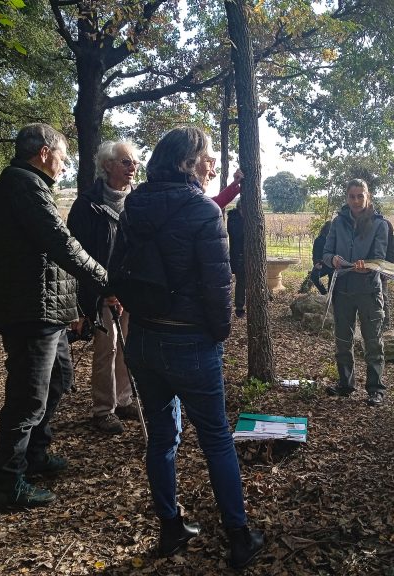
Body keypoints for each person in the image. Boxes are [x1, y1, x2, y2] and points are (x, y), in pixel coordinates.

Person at [110, 127, 264, 569]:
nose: (210, 163)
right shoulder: (202, 211)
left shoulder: (135, 203)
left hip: (143, 339)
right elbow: (219, 288)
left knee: (161, 437)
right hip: (191, 341)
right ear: (187, 162)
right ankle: (238, 535)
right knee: (216, 438)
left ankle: (170, 527)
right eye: (206, 156)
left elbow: (120, 268)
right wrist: (218, 336)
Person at [0, 123, 116, 508]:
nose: (64, 164)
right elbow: (62, 244)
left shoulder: (30, 185)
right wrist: (106, 280)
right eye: (62, 156)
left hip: (48, 308)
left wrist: (74, 306)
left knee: (59, 379)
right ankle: (8, 485)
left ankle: (35, 455)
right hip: (30, 310)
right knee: (28, 398)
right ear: (44, 152)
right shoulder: (22, 184)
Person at [68, 140, 141, 435]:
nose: (132, 167)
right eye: (126, 162)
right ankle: (103, 410)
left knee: (129, 348)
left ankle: (123, 400)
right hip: (100, 289)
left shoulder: (139, 201)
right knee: (106, 349)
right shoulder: (87, 205)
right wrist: (99, 291)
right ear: (108, 165)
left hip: (133, 288)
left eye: (135, 162)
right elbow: (75, 254)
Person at [323, 179, 389, 406]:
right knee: (343, 339)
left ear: (367, 196)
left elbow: (380, 258)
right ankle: (345, 383)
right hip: (342, 289)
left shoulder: (380, 224)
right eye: (352, 196)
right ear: (347, 197)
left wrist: (367, 264)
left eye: (360, 196)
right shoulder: (337, 223)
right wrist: (332, 259)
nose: (356, 201)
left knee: (373, 341)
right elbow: (326, 253)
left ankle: (376, 389)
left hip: (369, 290)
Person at [227, 199, 246, 317]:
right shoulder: (233, 219)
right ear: (240, 208)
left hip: (246, 254)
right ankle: (239, 308)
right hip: (237, 254)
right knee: (241, 282)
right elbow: (236, 235)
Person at [381, 217, 394, 329]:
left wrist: (387, 269)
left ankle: (386, 322)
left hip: (383, 266)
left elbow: (391, 252)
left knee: (383, 294)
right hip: (377, 265)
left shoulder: (387, 228)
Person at [310, 221, 333, 295]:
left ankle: (330, 296)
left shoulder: (335, 240)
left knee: (332, 278)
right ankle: (324, 293)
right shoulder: (319, 240)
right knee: (314, 276)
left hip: (333, 264)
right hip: (322, 264)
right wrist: (316, 263)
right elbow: (315, 254)